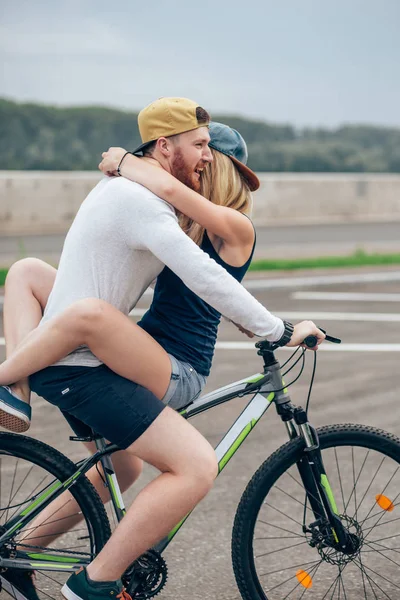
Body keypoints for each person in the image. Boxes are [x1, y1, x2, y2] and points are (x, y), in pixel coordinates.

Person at [0, 99, 324, 600]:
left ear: (227, 171)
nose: (205, 163)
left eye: (210, 156)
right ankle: (22, 546)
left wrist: (131, 163)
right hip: (148, 355)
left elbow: (180, 209)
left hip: (175, 367)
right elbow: (169, 199)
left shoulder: (233, 226)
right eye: (201, 152)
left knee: (91, 317)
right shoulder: (180, 221)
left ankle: (93, 581)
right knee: (122, 467)